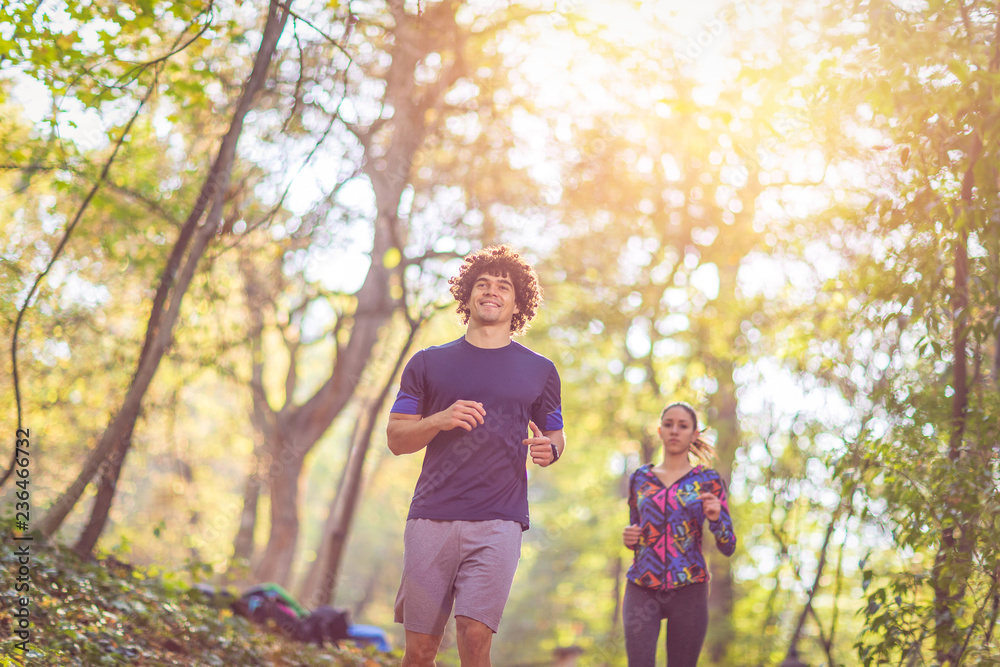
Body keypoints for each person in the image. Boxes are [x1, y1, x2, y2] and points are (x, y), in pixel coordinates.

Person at [387, 245, 565, 667]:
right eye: (482, 284)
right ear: (466, 296)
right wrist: (439, 420)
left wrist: (550, 450)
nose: (492, 292)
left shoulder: (540, 370)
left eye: (503, 286)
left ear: (517, 301)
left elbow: (556, 436)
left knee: (475, 635)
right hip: (431, 516)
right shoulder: (428, 363)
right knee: (420, 651)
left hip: (498, 520)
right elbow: (396, 438)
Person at [621, 402, 736, 667]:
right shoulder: (640, 478)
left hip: (689, 589)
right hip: (642, 586)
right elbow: (636, 532)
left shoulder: (707, 480)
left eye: (683, 426)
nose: (675, 431)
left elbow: (728, 545)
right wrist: (630, 538)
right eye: (669, 425)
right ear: (660, 431)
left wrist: (717, 519)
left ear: (694, 434)